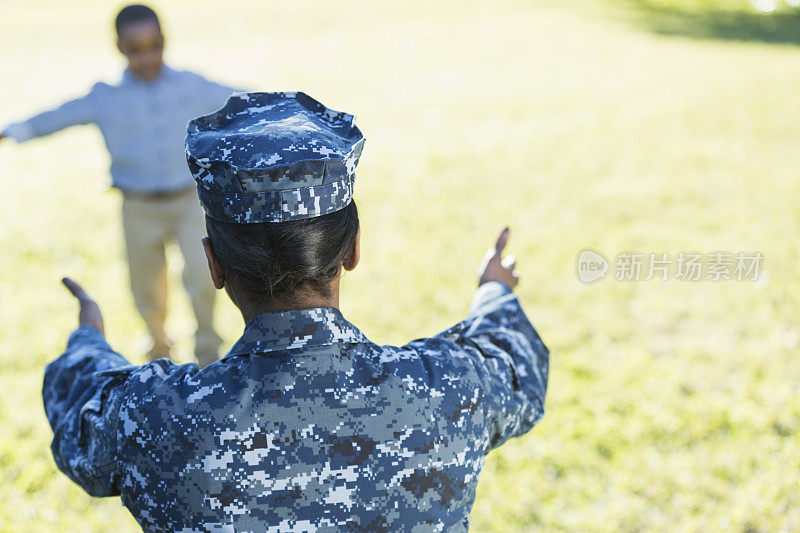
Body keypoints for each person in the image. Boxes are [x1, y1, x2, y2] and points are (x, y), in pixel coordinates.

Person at [44, 92, 550, 531]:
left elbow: (80, 410)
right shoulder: (449, 387)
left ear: (214, 265)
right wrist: (493, 292)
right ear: (352, 251)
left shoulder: (151, 417)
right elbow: (515, 360)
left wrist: (88, 338)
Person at [2, 4, 237, 366]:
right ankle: (160, 351)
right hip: (138, 206)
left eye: (155, 46)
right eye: (136, 49)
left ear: (165, 41)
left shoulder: (190, 86)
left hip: (189, 202)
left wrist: (287, 104)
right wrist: (15, 130)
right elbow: (59, 115)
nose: (148, 57)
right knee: (147, 289)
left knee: (204, 277)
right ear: (120, 48)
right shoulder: (105, 96)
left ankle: (209, 354)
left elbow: (239, 97)